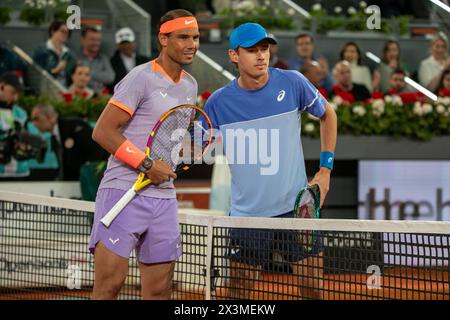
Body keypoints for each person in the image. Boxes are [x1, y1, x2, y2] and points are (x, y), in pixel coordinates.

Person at [201, 23, 337, 299]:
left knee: (314, 291)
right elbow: (196, 149)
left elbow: (328, 115)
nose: (261, 55)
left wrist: (325, 169)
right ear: (233, 55)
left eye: (264, 49)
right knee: (239, 295)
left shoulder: (293, 82)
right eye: (252, 50)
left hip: (297, 212)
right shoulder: (217, 103)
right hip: (247, 217)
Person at [88, 9, 199, 300]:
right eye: (183, 37)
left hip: (163, 198)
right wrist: (146, 165)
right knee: (109, 287)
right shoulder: (140, 78)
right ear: (163, 38)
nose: (192, 44)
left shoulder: (190, 85)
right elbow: (103, 131)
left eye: (196, 37)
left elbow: (170, 138)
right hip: (123, 191)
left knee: (160, 292)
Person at [30, 103, 107, 180]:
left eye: (36, 119)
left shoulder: (75, 127)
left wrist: (88, 175)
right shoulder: (55, 136)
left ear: (49, 117)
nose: (34, 124)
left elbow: (96, 150)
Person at [0, 72, 30, 179]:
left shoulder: (21, 113)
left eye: (18, 93)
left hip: (20, 172)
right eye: (13, 92)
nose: (15, 98)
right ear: (1, 87)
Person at [33, 20, 76, 87]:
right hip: (46, 90)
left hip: (64, 90)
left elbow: (71, 76)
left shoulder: (69, 54)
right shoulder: (41, 51)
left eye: (68, 32)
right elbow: (36, 74)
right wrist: (55, 71)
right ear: (53, 31)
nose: (65, 34)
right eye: (62, 31)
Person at [109, 27, 149, 92]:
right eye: (123, 43)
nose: (126, 46)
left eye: (128, 42)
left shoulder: (145, 61)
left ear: (134, 43)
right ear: (117, 45)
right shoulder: (112, 62)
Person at [78, 26, 115, 94]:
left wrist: (87, 74)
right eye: (92, 39)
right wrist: (99, 82)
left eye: (98, 40)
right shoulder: (76, 58)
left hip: (101, 99)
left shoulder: (104, 59)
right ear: (83, 40)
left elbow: (110, 77)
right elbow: (77, 80)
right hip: (81, 98)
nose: (96, 43)